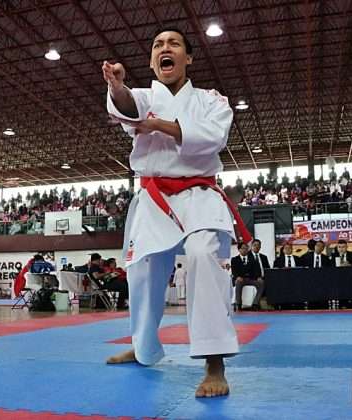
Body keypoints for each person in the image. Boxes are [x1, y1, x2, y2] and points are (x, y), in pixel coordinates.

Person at [103, 27, 251, 398]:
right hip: (155, 196)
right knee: (142, 271)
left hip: (199, 192)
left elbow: (212, 138)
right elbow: (126, 106)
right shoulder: (143, 96)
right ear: (153, 60)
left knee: (202, 256)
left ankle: (214, 362)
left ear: (189, 57)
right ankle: (142, 347)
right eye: (157, 45)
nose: (164, 48)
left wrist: (157, 126)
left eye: (173, 43)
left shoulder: (211, 100)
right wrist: (117, 87)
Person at [231, 242, 263, 311]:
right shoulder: (234, 259)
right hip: (240, 279)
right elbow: (234, 271)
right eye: (243, 248)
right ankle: (238, 304)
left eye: (246, 248)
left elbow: (257, 270)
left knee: (261, 283)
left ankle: (255, 304)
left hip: (251, 279)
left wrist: (258, 277)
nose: (245, 250)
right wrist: (237, 277)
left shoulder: (252, 259)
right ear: (239, 249)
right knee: (238, 282)